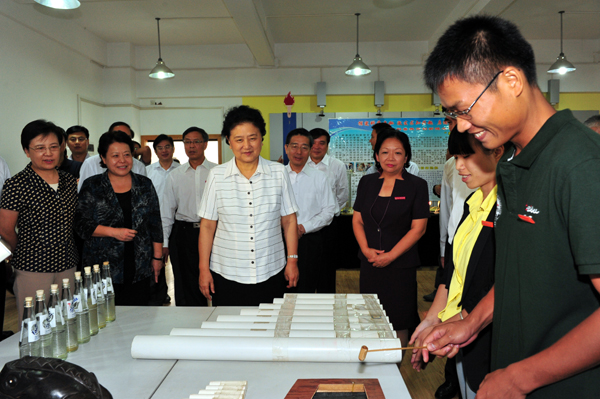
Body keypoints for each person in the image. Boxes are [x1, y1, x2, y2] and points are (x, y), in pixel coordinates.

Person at [420, 15, 600, 398]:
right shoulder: (512, 163)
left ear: (511, 81)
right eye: (452, 114)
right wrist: (473, 322)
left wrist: (521, 378)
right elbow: (525, 271)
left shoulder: (580, 164)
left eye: (464, 109)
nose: (461, 126)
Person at [410, 132, 504, 399]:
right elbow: (452, 273)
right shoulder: (472, 202)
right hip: (459, 332)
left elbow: (499, 282)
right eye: (456, 157)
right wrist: (431, 319)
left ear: (497, 152)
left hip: (487, 335)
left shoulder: (509, 207)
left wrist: (457, 322)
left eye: (467, 156)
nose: (459, 166)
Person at [198, 105, 299, 306]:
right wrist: (203, 269)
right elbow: (208, 226)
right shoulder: (217, 176)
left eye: (252, 138)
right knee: (230, 332)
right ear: (229, 141)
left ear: (262, 138)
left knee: (270, 330)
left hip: (271, 270)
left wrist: (292, 260)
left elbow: (289, 221)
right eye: (239, 139)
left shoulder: (279, 172)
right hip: (226, 273)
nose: (247, 145)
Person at [352, 129, 429, 346]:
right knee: (371, 317)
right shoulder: (367, 182)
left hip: (400, 266)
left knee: (398, 320)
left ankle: (396, 371)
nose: (391, 158)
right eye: (385, 152)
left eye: (397, 153)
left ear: (406, 157)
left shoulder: (416, 185)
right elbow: (357, 220)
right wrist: (366, 250)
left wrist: (391, 256)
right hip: (370, 263)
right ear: (376, 156)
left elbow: (419, 228)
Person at [0, 120, 77, 323]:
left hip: (67, 262)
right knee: (36, 323)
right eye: (40, 148)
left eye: (53, 147)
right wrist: (24, 250)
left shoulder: (68, 181)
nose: (48, 153)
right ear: (27, 151)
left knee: (66, 320)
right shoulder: (16, 184)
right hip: (32, 266)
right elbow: (6, 228)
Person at [74, 131, 163, 306]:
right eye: (115, 156)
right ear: (104, 158)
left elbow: (155, 222)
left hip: (140, 263)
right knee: (104, 317)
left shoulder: (144, 184)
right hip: (102, 266)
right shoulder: (92, 185)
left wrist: (157, 258)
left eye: (127, 155)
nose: (122, 160)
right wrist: (114, 232)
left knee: (139, 314)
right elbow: (81, 224)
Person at [161, 127, 216, 307]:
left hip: (215, 233)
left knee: (216, 280)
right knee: (185, 285)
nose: (191, 146)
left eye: (196, 142)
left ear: (205, 144)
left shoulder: (217, 172)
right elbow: (167, 212)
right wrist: (165, 244)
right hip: (183, 234)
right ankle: (190, 327)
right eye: (187, 142)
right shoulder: (175, 176)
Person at [284, 128, 336, 293]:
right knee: (282, 290)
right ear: (286, 148)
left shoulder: (320, 177)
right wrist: (289, 227)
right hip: (279, 240)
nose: (299, 152)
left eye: (304, 147)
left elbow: (329, 211)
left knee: (307, 287)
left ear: (310, 149)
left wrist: (302, 227)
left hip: (309, 241)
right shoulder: (277, 176)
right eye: (294, 146)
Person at [307, 128, 347, 293]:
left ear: (327, 146)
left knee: (327, 268)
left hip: (329, 226)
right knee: (306, 267)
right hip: (305, 225)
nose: (317, 147)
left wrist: (329, 212)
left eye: (321, 143)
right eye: (314, 143)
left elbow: (342, 194)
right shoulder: (300, 163)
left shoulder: (337, 166)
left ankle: (327, 302)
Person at [146, 134, 180, 305]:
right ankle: (160, 294)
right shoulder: (148, 171)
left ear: (173, 149)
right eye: (160, 148)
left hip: (178, 223)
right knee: (156, 261)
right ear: (155, 151)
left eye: (167, 147)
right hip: (154, 223)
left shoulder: (181, 170)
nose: (164, 150)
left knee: (178, 262)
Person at [78, 122, 147, 191]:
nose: (122, 160)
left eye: (127, 137)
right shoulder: (90, 163)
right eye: (115, 155)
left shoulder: (140, 168)